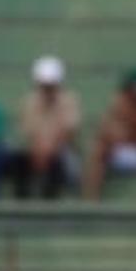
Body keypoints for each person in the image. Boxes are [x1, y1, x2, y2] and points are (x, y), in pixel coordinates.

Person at [13, 55, 81, 200]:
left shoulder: (69, 101)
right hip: (37, 149)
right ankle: (20, 203)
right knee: (18, 159)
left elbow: (68, 133)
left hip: (59, 149)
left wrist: (49, 151)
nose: (48, 89)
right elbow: (29, 133)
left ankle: (50, 202)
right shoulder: (29, 102)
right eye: (45, 85)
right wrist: (38, 151)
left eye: (51, 85)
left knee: (58, 161)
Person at [83, 67, 136, 199]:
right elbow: (109, 133)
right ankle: (90, 200)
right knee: (99, 150)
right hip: (122, 152)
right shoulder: (119, 103)